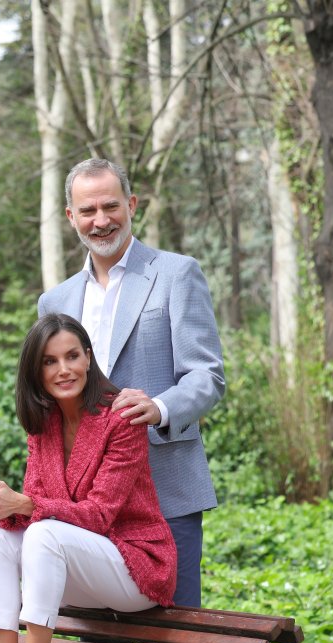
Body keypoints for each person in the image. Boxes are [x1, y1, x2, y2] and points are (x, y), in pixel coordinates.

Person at [38, 158, 224, 608]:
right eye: (87, 211)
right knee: (97, 642)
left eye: (110, 206)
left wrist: (160, 408)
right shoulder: (55, 300)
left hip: (165, 487)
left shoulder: (176, 274)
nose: (100, 221)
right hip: (85, 499)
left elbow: (207, 375)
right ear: (70, 217)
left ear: (132, 205)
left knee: (179, 639)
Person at [0, 313, 176, 643]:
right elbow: (35, 502)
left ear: (88, 357)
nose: (63, 369)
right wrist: (3, 507)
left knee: (44, 532)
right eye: (50, 361)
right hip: (74, 572)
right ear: (36, 371)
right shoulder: (44, 423)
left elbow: (98, 515)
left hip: (134, 569)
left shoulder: (120, 417)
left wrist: (25, 504)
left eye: (72, 356)